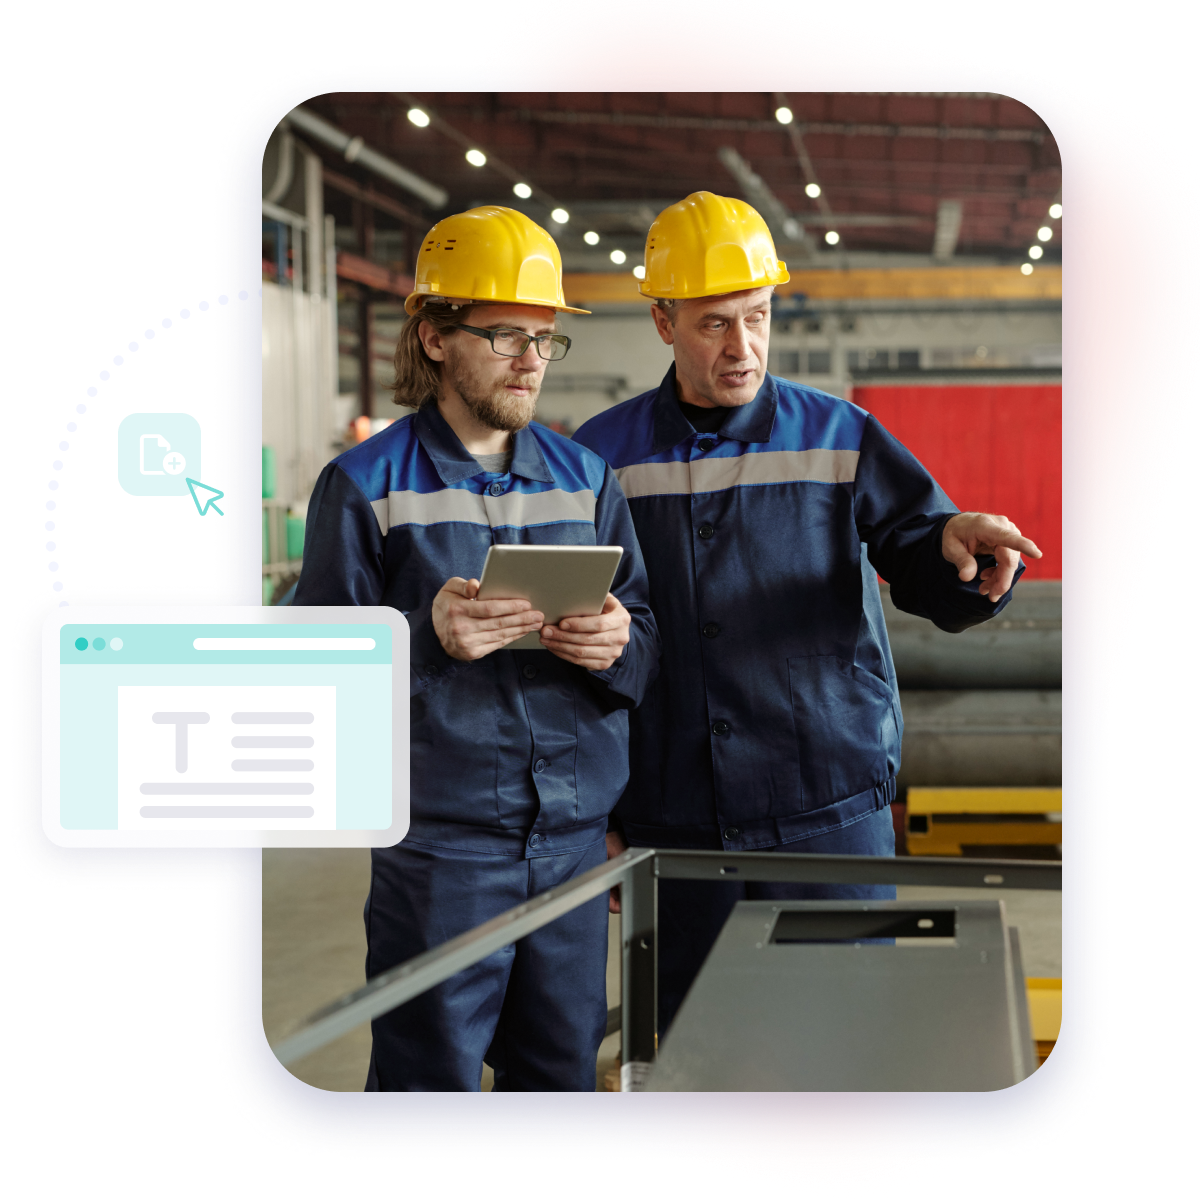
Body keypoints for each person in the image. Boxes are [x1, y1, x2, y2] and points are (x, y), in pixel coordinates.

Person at [572, 192, 1042, 1036]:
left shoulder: (837, 435)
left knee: (845, 1042)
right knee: (694, 1050)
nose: (742, 347)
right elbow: (579, 643)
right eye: (715, 324)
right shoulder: (600, 457)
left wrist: (955, 550)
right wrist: (595, 813)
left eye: (757, 317)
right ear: (662, 321)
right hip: (674, 817)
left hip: (828, 807)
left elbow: (917, 547)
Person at [293, 205, 659, 1091]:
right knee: (428, 1090)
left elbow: (647, 642)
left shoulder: (586, 479)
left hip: (571, 848)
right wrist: (426, 641)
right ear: (433, 336)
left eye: (545, 338)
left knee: (559, 1085)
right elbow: (310, 691)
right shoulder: (364, 486)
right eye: (505, 336)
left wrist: (618, 643)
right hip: (439, 857)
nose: (531, 359)